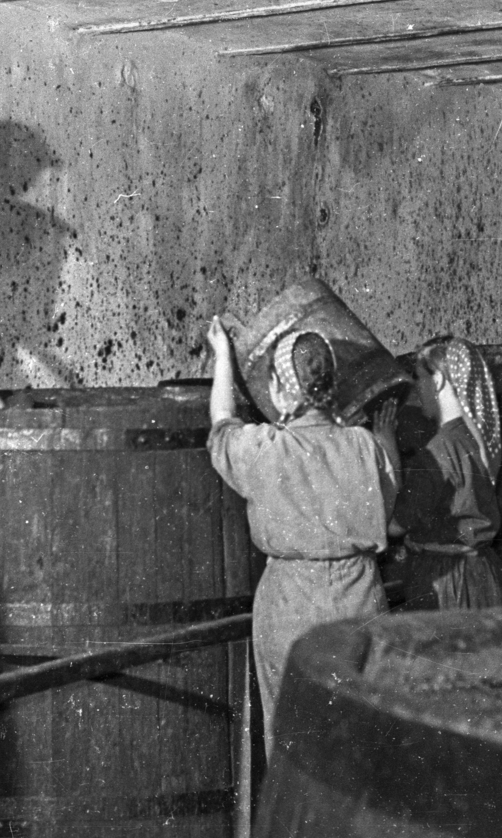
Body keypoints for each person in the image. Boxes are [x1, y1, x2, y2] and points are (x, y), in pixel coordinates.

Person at [204, 316, 398, 756]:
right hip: (360, 600)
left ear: (281, 390)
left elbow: (221, 424)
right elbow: (388, 501)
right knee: (362, 740)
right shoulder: (365, 445)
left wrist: (223, 358)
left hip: (290, 607)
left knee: (297, 745)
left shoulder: (265, 449)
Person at [392, 336, 502, 610]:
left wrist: (386, 444)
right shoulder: (475, 439)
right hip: (482, 576)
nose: (418, 388)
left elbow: (395, 524)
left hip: (447, 583)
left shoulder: (438, 450)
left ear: (441, 381)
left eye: (420, 378)